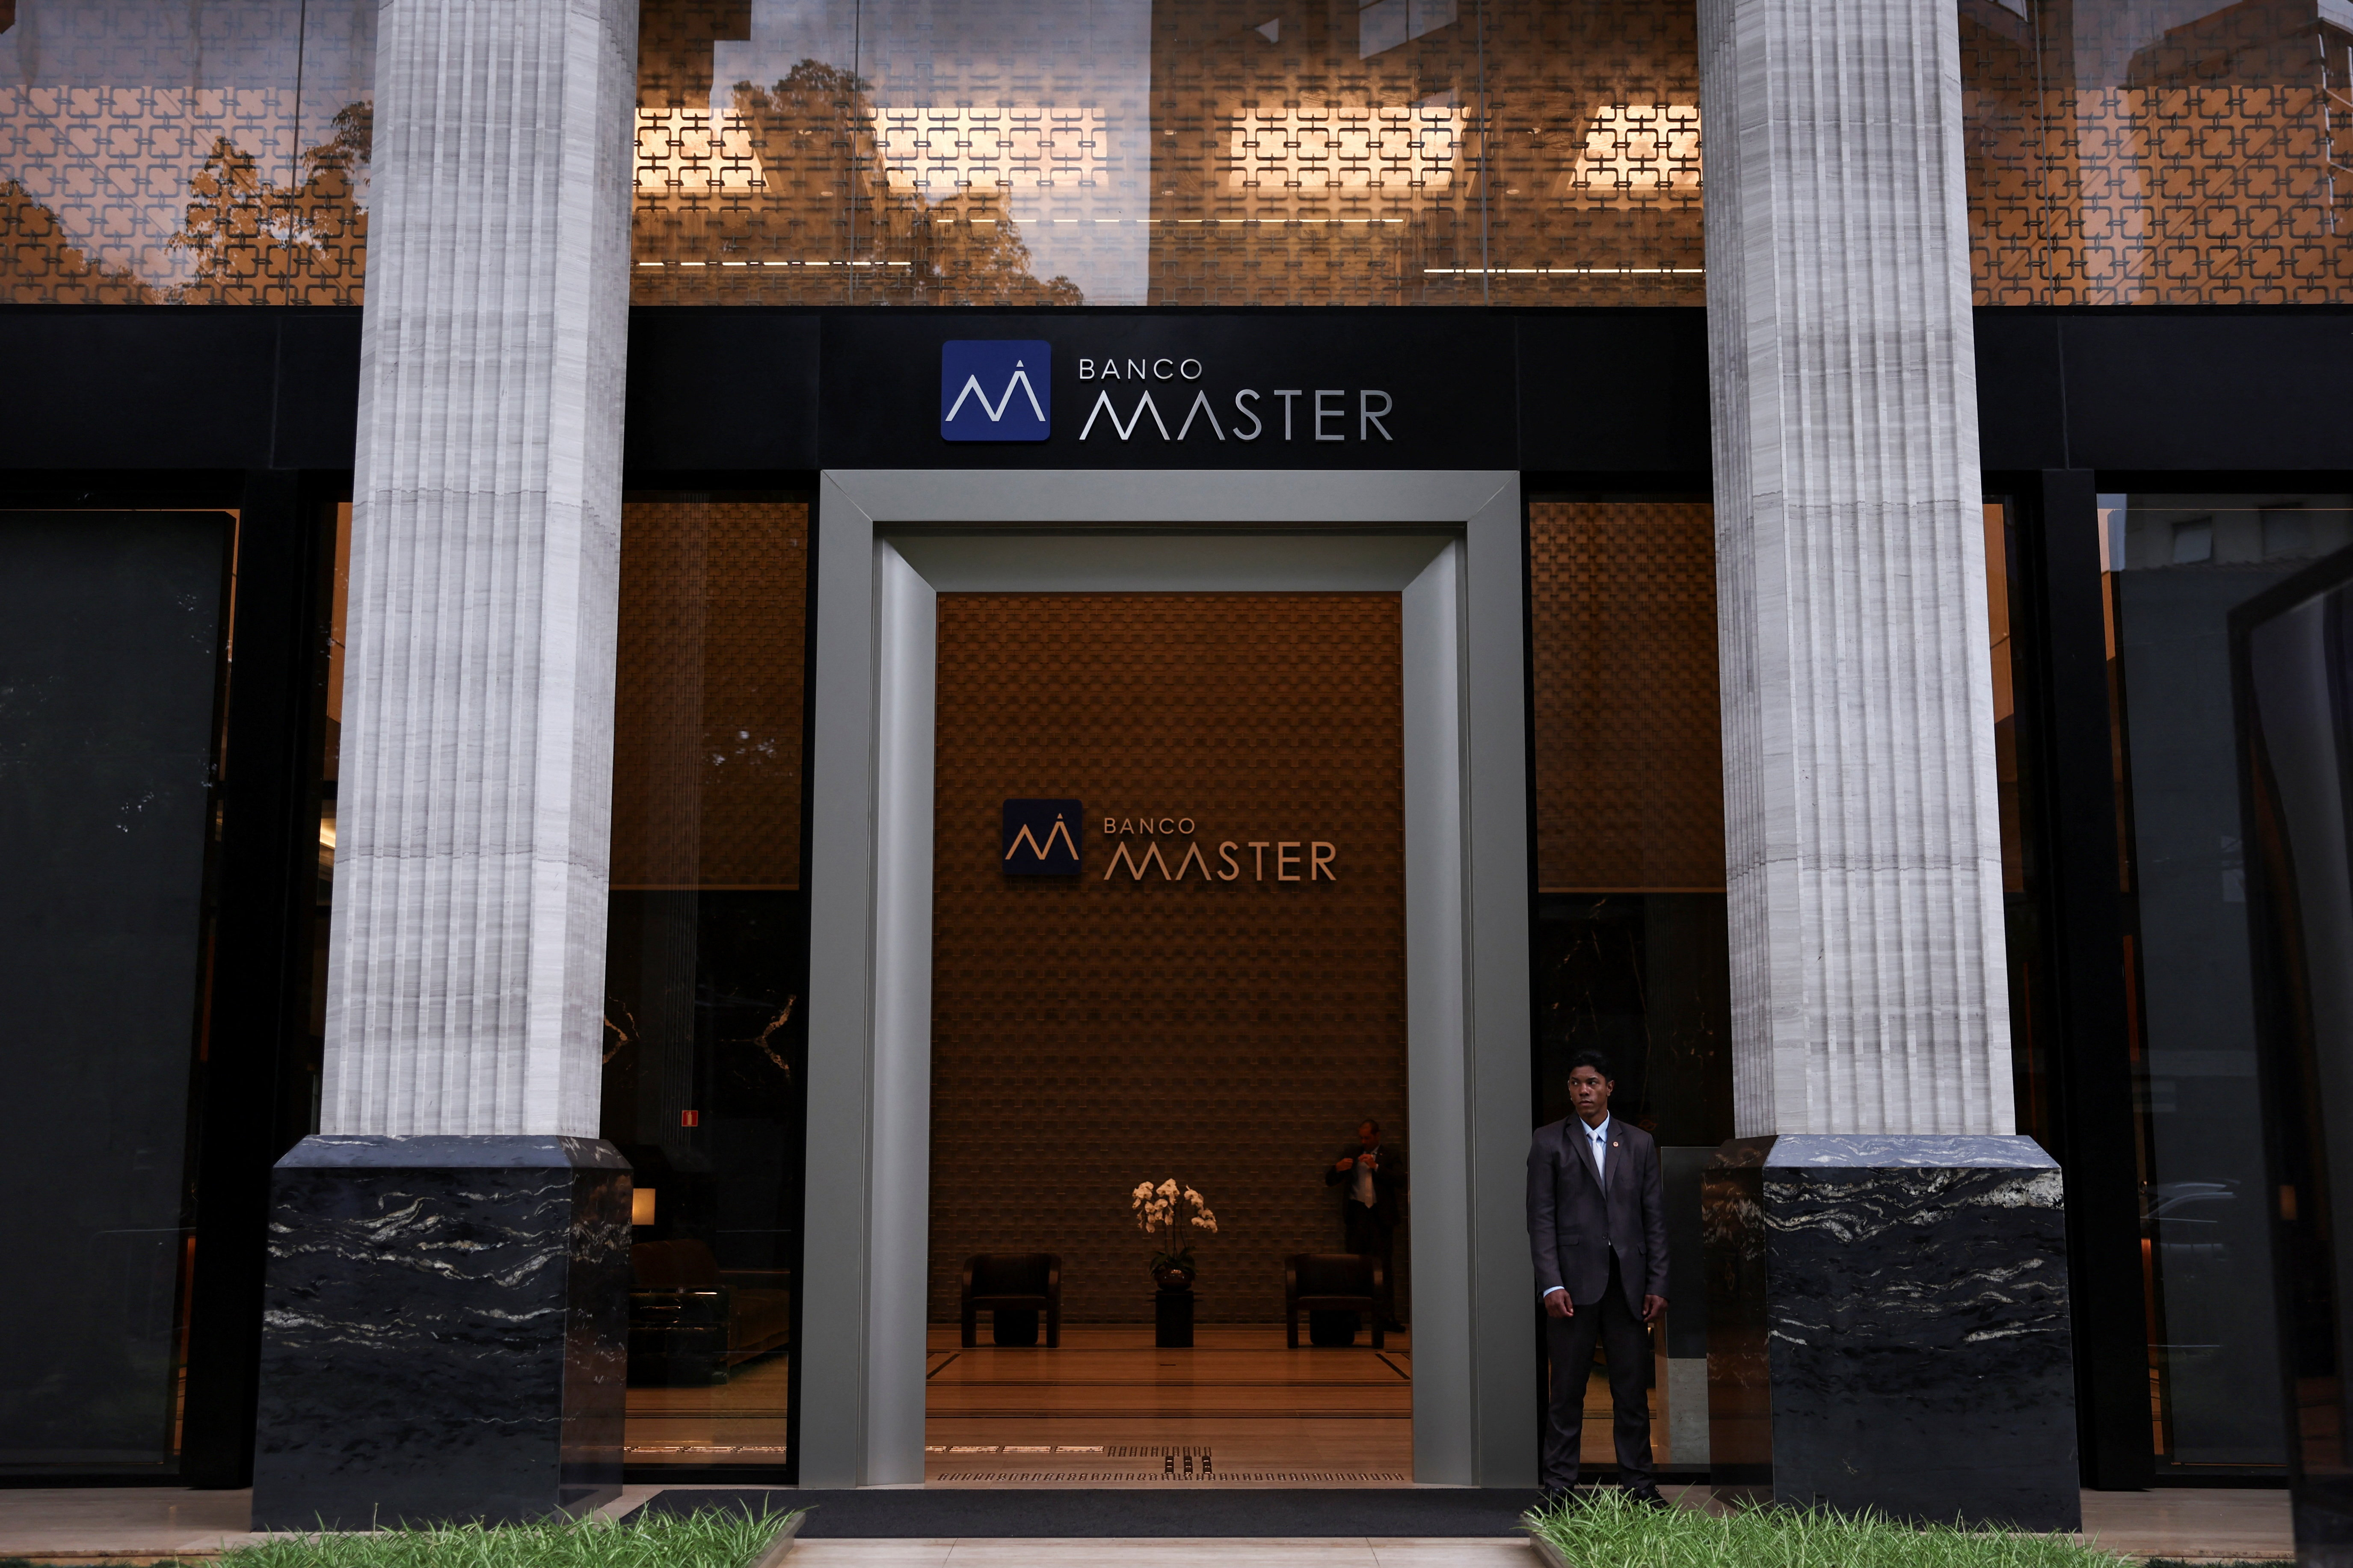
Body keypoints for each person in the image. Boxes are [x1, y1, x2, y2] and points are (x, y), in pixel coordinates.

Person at [1526, 1051, 1668, 1504]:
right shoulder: (1549, 1141)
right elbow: (1540, 1218)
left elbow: (1655, 1219)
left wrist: (1658, 1283)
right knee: (1566, 1392)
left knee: (1631, 1393)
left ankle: (1640, 1487)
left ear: (1609, 1087)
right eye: (1574, 1084)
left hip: (1628, 1288)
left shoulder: (1639, 1144)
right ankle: (1560, 1487)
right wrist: (1550, 1281)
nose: (1582, 1091)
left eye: (1590, 1083)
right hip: (1570, 1288)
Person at [1325, 1118, 1406, 1330]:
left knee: (1384, 1269)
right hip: (1358, 1215)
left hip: (1381, 1218)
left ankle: (1386, 1317)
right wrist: (1338, 1168)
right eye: (1361, 1138)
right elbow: (1330, 1180)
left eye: (1368, 1138)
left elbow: (1401, 1180)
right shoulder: (1351, 1152)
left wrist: (1376, 1167)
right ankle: (1354, 1318)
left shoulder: (1391, 1154)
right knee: (1354, 1268)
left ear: (1378, 1136)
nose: (1364, 1142)